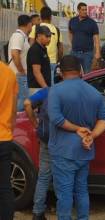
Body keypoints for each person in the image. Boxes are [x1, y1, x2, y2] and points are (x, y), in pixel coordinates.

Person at [48, 55, 105, 219]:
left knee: (64, 194)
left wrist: (78, 129)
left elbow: (56, 119)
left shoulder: (56, 90)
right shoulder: (93, 92)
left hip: (63, 152)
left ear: (61, 71)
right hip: (85, 151)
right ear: (80, 70)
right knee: (82, 190)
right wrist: (92, 135)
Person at [23, 86, 52, 220]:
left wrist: (36, 124)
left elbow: (27, 103)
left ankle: (37, 212)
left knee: (44, 176)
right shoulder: (75, 90)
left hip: (46, 138)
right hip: (63, 139)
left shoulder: (47, 91)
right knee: (63, 175)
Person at [0, 61, 18, 220]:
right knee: (5, 186)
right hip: (4, 137)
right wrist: (9, 130)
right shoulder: (9, 73)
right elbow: (13, 110)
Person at [29, 6, 64, 85]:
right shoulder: (57, 30)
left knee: (37, 86)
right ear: (51, 17)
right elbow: (61, 49)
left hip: (37, 63)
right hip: (52, 63)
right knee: (51, 86)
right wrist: (58, 60)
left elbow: (31, 45)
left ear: (40, 16)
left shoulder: (36, 27)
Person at [8, 14, 32, 111]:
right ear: (29, 24)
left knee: (21, 101)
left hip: (20, 75)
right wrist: (21, 71)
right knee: (22, 103)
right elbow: (14, 54)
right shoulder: (18, 36)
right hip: (18, 75)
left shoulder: (23, 37)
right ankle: (18, 124)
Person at [69, 2, 101, 74]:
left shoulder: (92, 23)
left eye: (86, 10)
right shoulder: (72, 21)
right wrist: (72, 44)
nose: (85, 11)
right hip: (74, 53)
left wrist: (97, 52)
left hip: (87, 54)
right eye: (83, 10)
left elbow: (96, 38)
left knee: (87, 74)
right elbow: (70, 32)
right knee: (73, 73)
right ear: (78, 10)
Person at [27, 25, 52, 95]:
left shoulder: (42, 49)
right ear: (39, 35)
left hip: (42, 88)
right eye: (47, 36)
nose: (49, 39)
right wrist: (46, 88)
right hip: (37, 88)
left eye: (50, 36)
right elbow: (36, 72)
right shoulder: (35, 50)